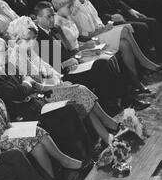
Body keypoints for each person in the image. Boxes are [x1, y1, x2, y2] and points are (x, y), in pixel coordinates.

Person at [7, 16, 119, 145]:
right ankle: (109, 126)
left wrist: (59, 82)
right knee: (80, 91)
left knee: (80, 93)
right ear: (17, 39)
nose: (32, 42)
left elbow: (49, 70)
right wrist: (56, 85)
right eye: (28, 39)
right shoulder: (15, 58)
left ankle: (106, 134)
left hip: (50, 88)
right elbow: (35, 84)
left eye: (33, 38)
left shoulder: (28, 51)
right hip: (41, 97)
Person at [0, 36, 94, 161]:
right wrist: (26, 83)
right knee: (66, 111)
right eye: (4, 50)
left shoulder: (8, 66)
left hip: (34, 103)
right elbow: (18, 94)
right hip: (23, 114)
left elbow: (27, 84)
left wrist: (26, 83)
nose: (8, 52)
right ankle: (80, 157)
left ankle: (86, 153)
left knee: (69, 106)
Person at [34, 1, 150, 112]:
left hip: (73, 64)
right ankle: (117, 102)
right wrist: (67, 63)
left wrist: (78, 55)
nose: (51, 19)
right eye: (48, 17)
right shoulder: (40, 37)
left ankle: (121, 100)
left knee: (105, 60)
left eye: (52, 16)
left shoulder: (54, 30)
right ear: (38, 18)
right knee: (101, 65)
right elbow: (52, 67)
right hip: (64, 74)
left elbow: (67, 53)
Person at [69, 0, 161, 94]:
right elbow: (82, 35)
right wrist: (102, 30)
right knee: (124, 30)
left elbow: (97, 21)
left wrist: (105, 27)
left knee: (125, 43)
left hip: (101, 32)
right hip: (92, 39)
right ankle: (144, 61)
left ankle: (136, 82)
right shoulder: (72, 7)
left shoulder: (86, 2)